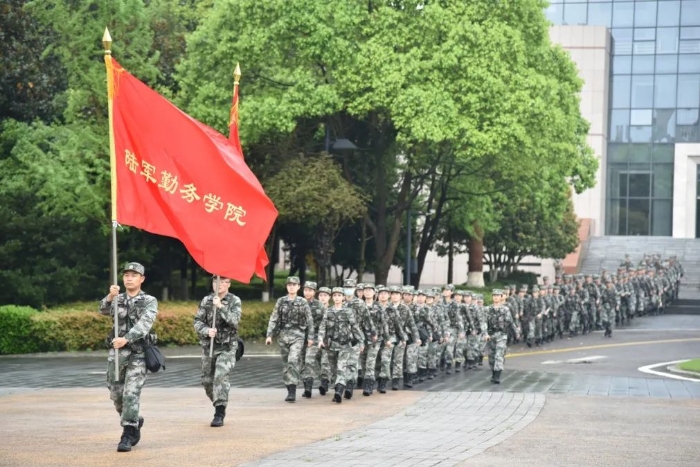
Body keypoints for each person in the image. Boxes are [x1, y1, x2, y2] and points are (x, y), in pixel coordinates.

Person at [99, 262, 158, 452]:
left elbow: (144, 325)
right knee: (116, 394)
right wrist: (110, 296)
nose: (129, 278)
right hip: (116, 353)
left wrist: (126, 339)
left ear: (142, 279)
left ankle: (127, 433)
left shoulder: (149, 300)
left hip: (138, 353)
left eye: (134, 275)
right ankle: (134, 420)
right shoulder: (117, 298)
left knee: (131, 393)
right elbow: (102, 310)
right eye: (126, 275)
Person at [193, 276, 242, 427]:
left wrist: (221, 307)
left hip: (227, 347)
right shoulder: (206, 300)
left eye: (222, 282)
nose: (219, 285)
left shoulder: (234, 301)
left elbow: (235, 321)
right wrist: (206, 330)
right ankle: (218, 402)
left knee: (220, 377)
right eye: (216, 282)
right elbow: (197, 321)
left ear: (228, 284)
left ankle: (219, 412)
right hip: (209, 347)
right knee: (207, 381)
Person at [265, 276, 314, 402]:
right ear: (287, 287)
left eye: (294, 285)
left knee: (293, 360)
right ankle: (289, 388)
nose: (291, 287)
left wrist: (310, 337)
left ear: (298, 287)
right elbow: (274, 318)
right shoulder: (281, 301)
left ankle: (292, 388)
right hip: (283, 337)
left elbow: (309, 321)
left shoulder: (303, 302)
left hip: (298, 336)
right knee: (286, 363)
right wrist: (269, 335)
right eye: (289, 285)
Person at [318, 288, 365, 403]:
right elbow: (322, 327)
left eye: (339, 295)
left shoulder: (348, 311)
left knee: (341, 367)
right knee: (334, 369)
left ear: (343, 297)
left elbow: (355, 327)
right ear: (332, 298)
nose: (337, 297)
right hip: (332, 345)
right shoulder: (328, 311)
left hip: (345, 345)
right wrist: (320, 340)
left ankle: (339, 390)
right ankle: (338, 387)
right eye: (335, 295)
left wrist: (361, 341)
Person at [483, 289, 519, 384]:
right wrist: (485, 333)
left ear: (501, 297)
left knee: (499, 355)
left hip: (502, 335)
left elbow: (510, 322)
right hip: (491, 335)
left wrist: (516, 332)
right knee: (491, 356)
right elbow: (483, 323)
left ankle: (497, 375)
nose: (496, 297)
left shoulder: (505, 309)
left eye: (498, 295)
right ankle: (494, 373)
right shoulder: (487, 309)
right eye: (494, 295)